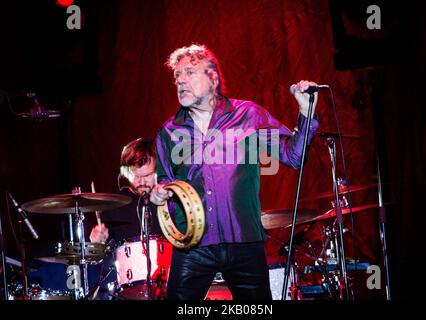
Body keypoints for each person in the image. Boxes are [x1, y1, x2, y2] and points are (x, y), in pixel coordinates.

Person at [150, 44, 320, 300]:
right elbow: (164, 183)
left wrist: (306, 111)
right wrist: (158, 195)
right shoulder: (169, 131)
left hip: (243, 240)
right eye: (177, 77)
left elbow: (293, 156)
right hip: (193, 246)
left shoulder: (247, 115)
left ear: (213, 78)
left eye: (189, 72)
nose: (180, 81)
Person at [89, 138, 162, 244]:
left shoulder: (169, 200)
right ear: (126, 173)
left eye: (147, 175)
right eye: (136, 176)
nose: (142, 182)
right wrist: (97, 240)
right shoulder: (114, 206)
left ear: (157, 171)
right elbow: (103, 252)